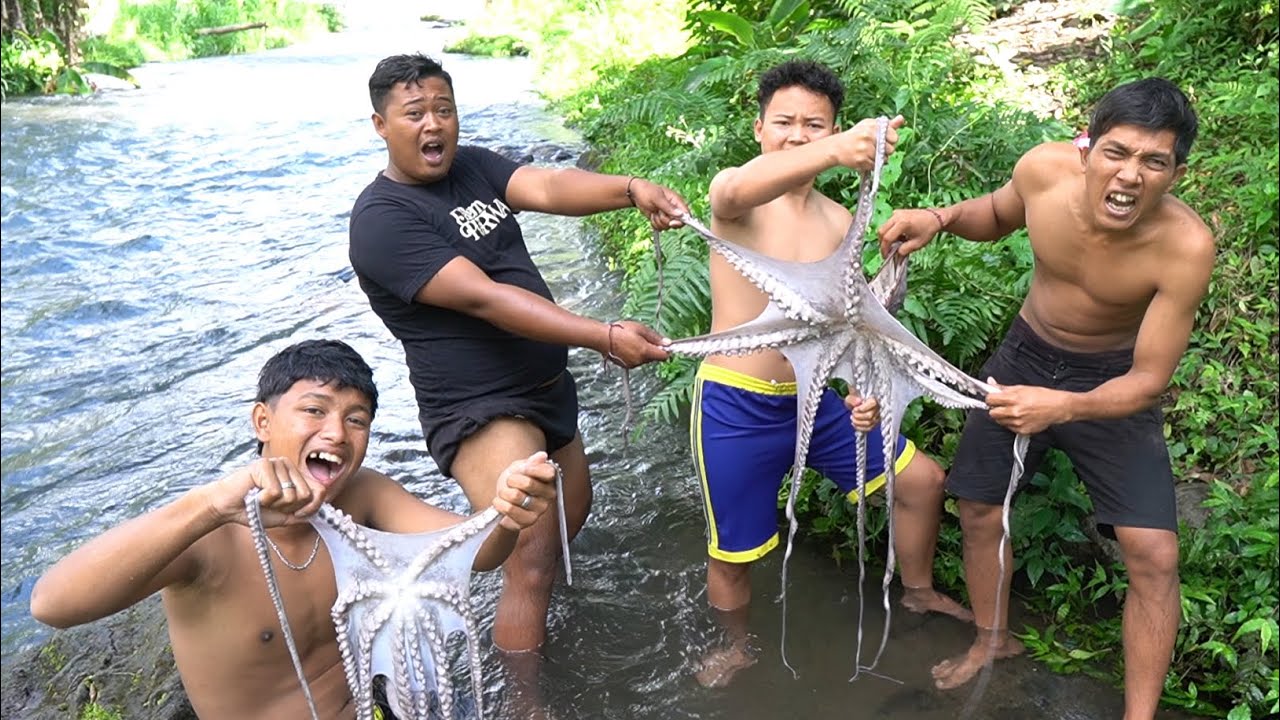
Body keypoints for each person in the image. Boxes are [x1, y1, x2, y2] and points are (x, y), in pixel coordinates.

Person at [878, 77, 1212, 719]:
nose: (1130, 175)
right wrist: (939, 219)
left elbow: (1149, 379)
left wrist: (1064, 406)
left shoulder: (1185, 246)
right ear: (1086, 149)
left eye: (1154, 161)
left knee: (1154, 554)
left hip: (1113, 378)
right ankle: (992, 640)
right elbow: (995, 213)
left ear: (1176, 173)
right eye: (1116, 152)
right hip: (1026, 353)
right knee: (979, 506)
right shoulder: (1043, 171)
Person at [347, 53, 690, 657]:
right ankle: (525, 695)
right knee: (531, 560)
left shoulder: (471, 166)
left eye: (444, 109)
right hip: (481, 408)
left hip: (544, 387)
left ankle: (534, 636)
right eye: (415, 113)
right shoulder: (381, 221)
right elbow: (485, 298)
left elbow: (547, 186)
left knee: (565, 523)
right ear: (381, 125)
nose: (433, 124)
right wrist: (603, 335)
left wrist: (629, 190)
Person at [29, 339, 558, 720]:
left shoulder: (362, 496)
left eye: (356, 419)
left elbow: (476, 553)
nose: (337, 433)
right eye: (314, 410)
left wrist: (507, 511)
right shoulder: (210, 534)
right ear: (263, 421)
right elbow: (52, 604)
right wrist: (206, 505)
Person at [690, 59, 972, 688]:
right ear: (758, 128)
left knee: (922, 481)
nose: (797, 134)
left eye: (814, 125)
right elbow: (732, 190)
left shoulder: (841, 222)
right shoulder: (737, 200)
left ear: (835, 127)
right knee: (732, 551)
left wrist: (861, 394)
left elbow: (848, 327)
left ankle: (918, 591)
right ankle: (735, 646)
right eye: (783, 122)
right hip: (737, 405)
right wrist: (834, 151)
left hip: (818, 405)